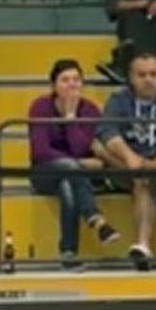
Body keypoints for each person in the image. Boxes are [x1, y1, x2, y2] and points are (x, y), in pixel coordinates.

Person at [94, 52, 156, 270]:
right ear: (131, 78)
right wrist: (130, 158)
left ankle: (142, 246)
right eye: (142, 75)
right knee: (100, 147)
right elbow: (107, 131)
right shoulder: (118, 101)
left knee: (143, 182)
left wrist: (152, 166)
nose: (148, 80)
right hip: (123, 165)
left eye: (153, 74)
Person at [28, 60, 120, 268]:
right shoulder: (40, 107)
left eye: (76, 80)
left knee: (67, 186)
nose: (72, 85)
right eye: (65, 80)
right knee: (70, 170)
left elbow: (81, 147)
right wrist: (76, 163)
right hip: (44, 171)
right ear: (53, 86)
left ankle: (69, 253)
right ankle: (95, 218)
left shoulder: (90, 110)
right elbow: (40, 151)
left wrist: (70, 119)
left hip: (75, 176)